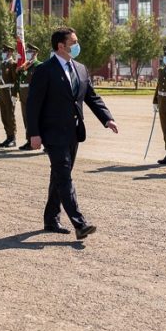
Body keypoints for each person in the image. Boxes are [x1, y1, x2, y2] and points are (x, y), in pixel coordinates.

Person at [27, 26, 118, 240]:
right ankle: (80, 223)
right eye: (73, 42)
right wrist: (34, 133)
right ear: (61, 46)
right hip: (52, 133)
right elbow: (33, 105)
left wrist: (107, 118)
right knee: (65, 176)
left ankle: (51, 219)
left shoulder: (80, 69)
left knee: (59, 176)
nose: (77, 46)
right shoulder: (44, 70)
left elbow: (92, 97)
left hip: (73, 133)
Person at [15, 43, 40, 150]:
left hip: (33, 97)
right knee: (26, 119)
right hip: (24, 97)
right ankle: (29, 140)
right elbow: (19, 79)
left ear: (35, 53)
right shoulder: (25, 66)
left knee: (35, 119)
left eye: (30, 52)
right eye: (27, 52)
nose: (28, 54)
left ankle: (38, 141)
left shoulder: (39, 66)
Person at [0, 44, 18, 147]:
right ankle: (8, 137)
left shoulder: (12, 64)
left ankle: (12, 138)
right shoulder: (3, 64)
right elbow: (0, 79)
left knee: (10, 115)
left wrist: (14, 94)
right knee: (4, 115)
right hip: (2, 91)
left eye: (5, 51)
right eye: (3, 51)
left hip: (9, 92)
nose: (3, 53)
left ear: (10, 52)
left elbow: (15, 80)